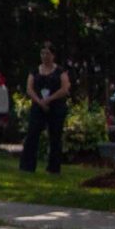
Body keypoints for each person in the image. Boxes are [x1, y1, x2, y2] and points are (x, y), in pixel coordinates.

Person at [22, 43, 70, 174]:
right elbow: (29, 88)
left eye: (48, 53)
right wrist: (39, 101)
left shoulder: (60, 71)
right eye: (42, 53)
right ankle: (27, 166)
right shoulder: (35, 71)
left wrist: (49, 99)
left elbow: (64, 88)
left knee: (55, 137)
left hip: (56, 106)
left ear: (53, 55)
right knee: (32, 134)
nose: (45, 56)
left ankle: (53, 168)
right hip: (38, 106)